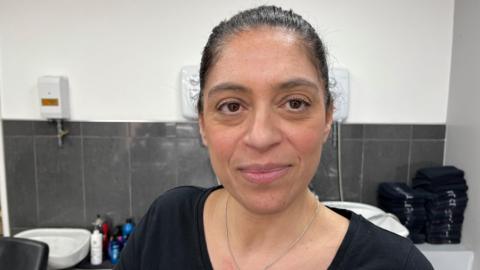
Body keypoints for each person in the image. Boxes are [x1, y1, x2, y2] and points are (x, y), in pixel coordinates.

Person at [115, 5, 433, 270]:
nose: (261, 137)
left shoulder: (397, 265)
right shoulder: (167, 224)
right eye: (231, 106)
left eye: (295, 103)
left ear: (327, 117)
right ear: (202, 124)